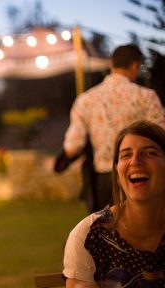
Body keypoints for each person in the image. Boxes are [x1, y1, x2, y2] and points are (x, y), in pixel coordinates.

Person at [63, 120, 165, 288]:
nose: (135, 161)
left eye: (150, 153)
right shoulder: (88, 236)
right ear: (118, 174)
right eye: (126, 155)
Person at [62, 44, 165, 212]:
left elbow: (73, 146)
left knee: (105, 233)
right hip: (139, 176)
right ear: (135, 65)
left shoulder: (86, 100)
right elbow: (161, 136)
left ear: (111, 65)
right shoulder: (146, 97)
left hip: (104, 181)